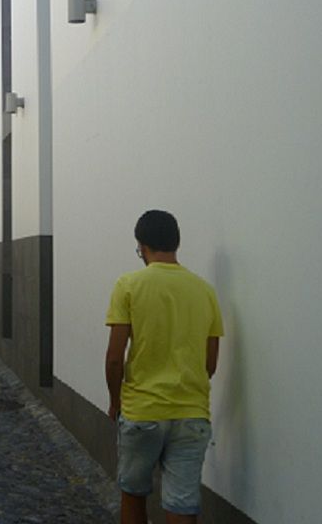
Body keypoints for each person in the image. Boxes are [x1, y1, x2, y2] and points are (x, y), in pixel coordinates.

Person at [105, 210, 224, 524]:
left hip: (142, 410)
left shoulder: (129, 285)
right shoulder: (205, 291)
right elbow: (210, 363)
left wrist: (115, 401)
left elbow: (115, 357)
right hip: (192, 412)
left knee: (133, 494)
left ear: (142, 246)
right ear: (176, 243)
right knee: (182, 503)